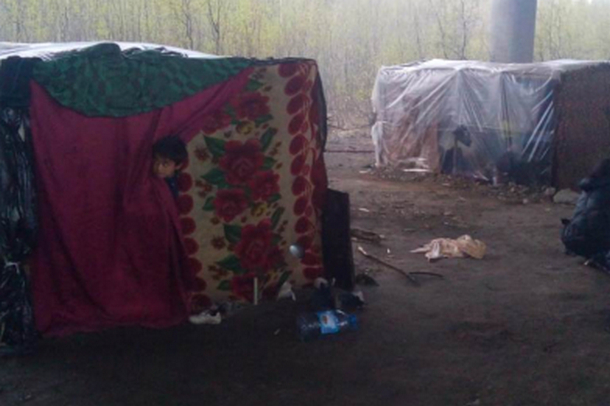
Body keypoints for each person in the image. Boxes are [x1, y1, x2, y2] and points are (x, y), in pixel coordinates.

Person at [562, 158, 610, 269]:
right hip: (588, 238)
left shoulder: (590, 185)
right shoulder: (606, 189)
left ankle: (596, 255)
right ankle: (603, 257)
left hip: (570, 234)